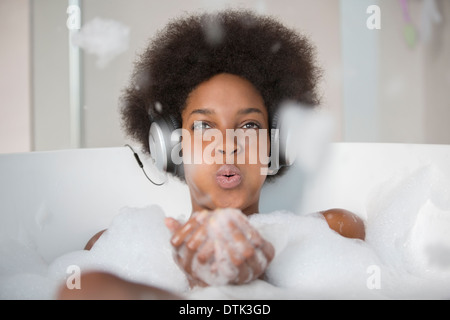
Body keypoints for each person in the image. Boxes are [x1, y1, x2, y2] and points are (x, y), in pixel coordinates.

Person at [58, 9, 365, 299]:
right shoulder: (113, 247)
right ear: (173, 148)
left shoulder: (331, 232)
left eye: (248, 125)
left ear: (277, 147)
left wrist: (257, 274)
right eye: (204, 125)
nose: (228, 144)